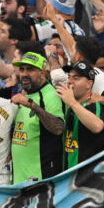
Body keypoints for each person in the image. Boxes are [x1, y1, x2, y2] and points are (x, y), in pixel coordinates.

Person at [10, 51, 65, 183]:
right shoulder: (26, 94)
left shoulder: (51, 95)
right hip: (20, 179)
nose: (24, 74)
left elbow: (58, 128)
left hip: (41, 178)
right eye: (22, 69)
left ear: (43, 72)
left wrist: (31, 105)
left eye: (30, 69)